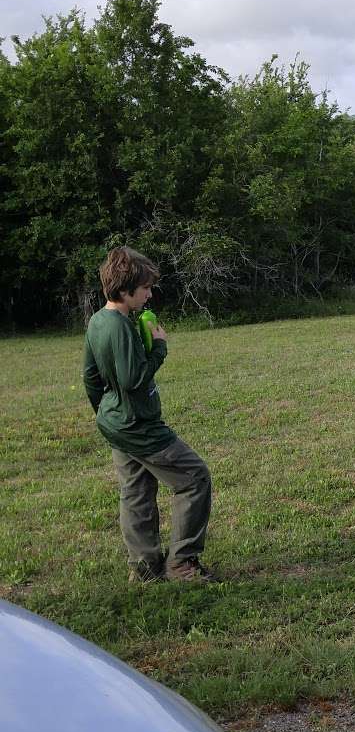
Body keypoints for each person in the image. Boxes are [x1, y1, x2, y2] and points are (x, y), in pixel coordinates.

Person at [83, 246, 214, 583]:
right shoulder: (121, 327)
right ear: (126, 290)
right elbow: (133, 380)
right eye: (145, 288)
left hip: (116, 424)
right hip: (139, 427)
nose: (150, 294)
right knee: (194, 478)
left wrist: (107, 413)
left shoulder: (98, 321)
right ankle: (182, 565)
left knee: (136, 492)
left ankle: (144, 569)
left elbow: (90, 377)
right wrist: (158, 348)